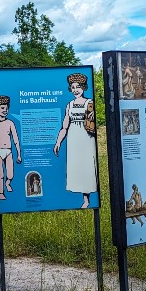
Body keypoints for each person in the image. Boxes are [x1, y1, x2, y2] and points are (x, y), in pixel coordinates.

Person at [53, 73, 98, 208]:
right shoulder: (70, 105)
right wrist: (58, 142)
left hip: (87, 138)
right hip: (73, 138)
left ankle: (87, 199)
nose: (75, 90)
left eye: (78, 87)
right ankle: (82, 197)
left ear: (83, 87)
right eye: (73, 87)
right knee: (76, 166)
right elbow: (64, 126)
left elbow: (94, 122)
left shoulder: (89, 102)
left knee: (88, 166)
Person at [0, 95, 21, 200]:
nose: (5, 110)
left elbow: (16, 140)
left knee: (10, 173)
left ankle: (8, 183)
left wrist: (19, 154)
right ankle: (1, 192)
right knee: (0, 173)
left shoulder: (10, 123)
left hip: (8, 151)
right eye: (2, 108)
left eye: (6, 108)